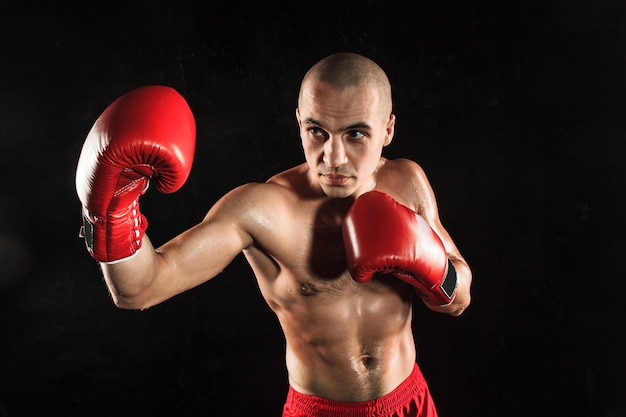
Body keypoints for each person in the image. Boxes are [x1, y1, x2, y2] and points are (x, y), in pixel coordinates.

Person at [75, 52, 472, 417]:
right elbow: (139, 289)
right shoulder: (262, 209)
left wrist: (436, 270)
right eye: (317, 131)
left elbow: (458, 300)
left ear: (387, 129)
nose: (333, 158)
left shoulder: (406, 181)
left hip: (410, 402)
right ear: (299, 121)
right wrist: (110, 212)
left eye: (355, 134)